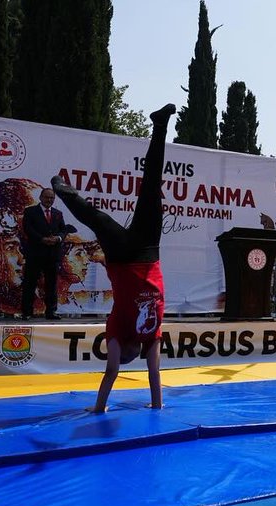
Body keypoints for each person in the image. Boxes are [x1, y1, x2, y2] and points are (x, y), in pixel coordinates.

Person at [51, 103, 175, 412]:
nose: (119, 353)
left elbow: (112, 372)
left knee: (98, 218)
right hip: (146, 251)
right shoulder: (152, 335)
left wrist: (99, 408)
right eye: (122, 353)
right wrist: (156, 405)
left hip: (126, 256)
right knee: (150, 188)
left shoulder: (119, 329)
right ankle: (160, 124)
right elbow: (155, 372)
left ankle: (65, 193)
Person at [20, 187, 76, 320]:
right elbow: (28, 229)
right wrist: (41, 239)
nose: (49, 200)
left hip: (52, 255)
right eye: (46, 197)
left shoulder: (58, 213)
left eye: (51, 198)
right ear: (40, 198)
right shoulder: (31, 211)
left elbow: (63, 230)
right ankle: (27, 312)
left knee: (51, 284)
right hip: (35, 254)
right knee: (30, 283)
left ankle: (51, 312)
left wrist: (58, 238)